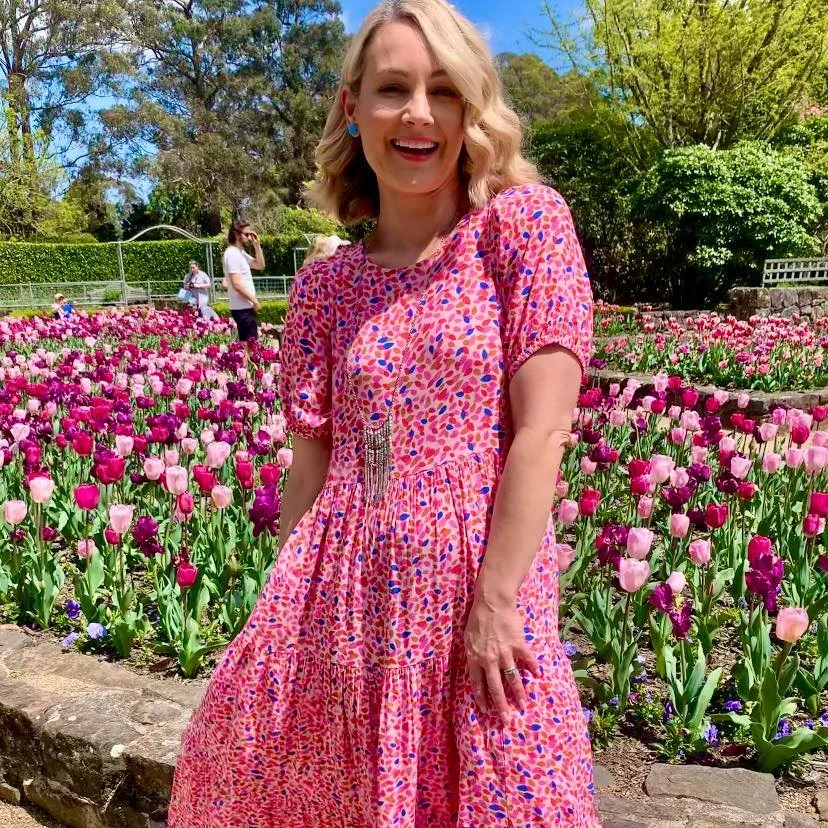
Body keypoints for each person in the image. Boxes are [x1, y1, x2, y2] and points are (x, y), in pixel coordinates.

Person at [168, 0, 597, 825]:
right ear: (352, 108)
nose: (417, 113)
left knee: (515, 790)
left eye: (443, 90)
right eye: (393, 87)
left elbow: (542, 430)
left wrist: (499, 600)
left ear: (472, 107)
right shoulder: (329, 286)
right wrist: (282, 615)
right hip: (347, 589)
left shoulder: (520, 228)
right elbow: (312, 464)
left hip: (480, 578)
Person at [222, 220, 265, 342]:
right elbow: (236, 284)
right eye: (246, 234)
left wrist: (256, 245)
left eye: (250, 234)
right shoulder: (232, 254)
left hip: (245, 307)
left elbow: (260, 265)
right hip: (242, 308)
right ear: (236, 234)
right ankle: (247, 362)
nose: (249, 237)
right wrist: (254, 300)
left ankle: (247, 361)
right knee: (249, 345)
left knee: (248, 344)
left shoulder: (240, 253)